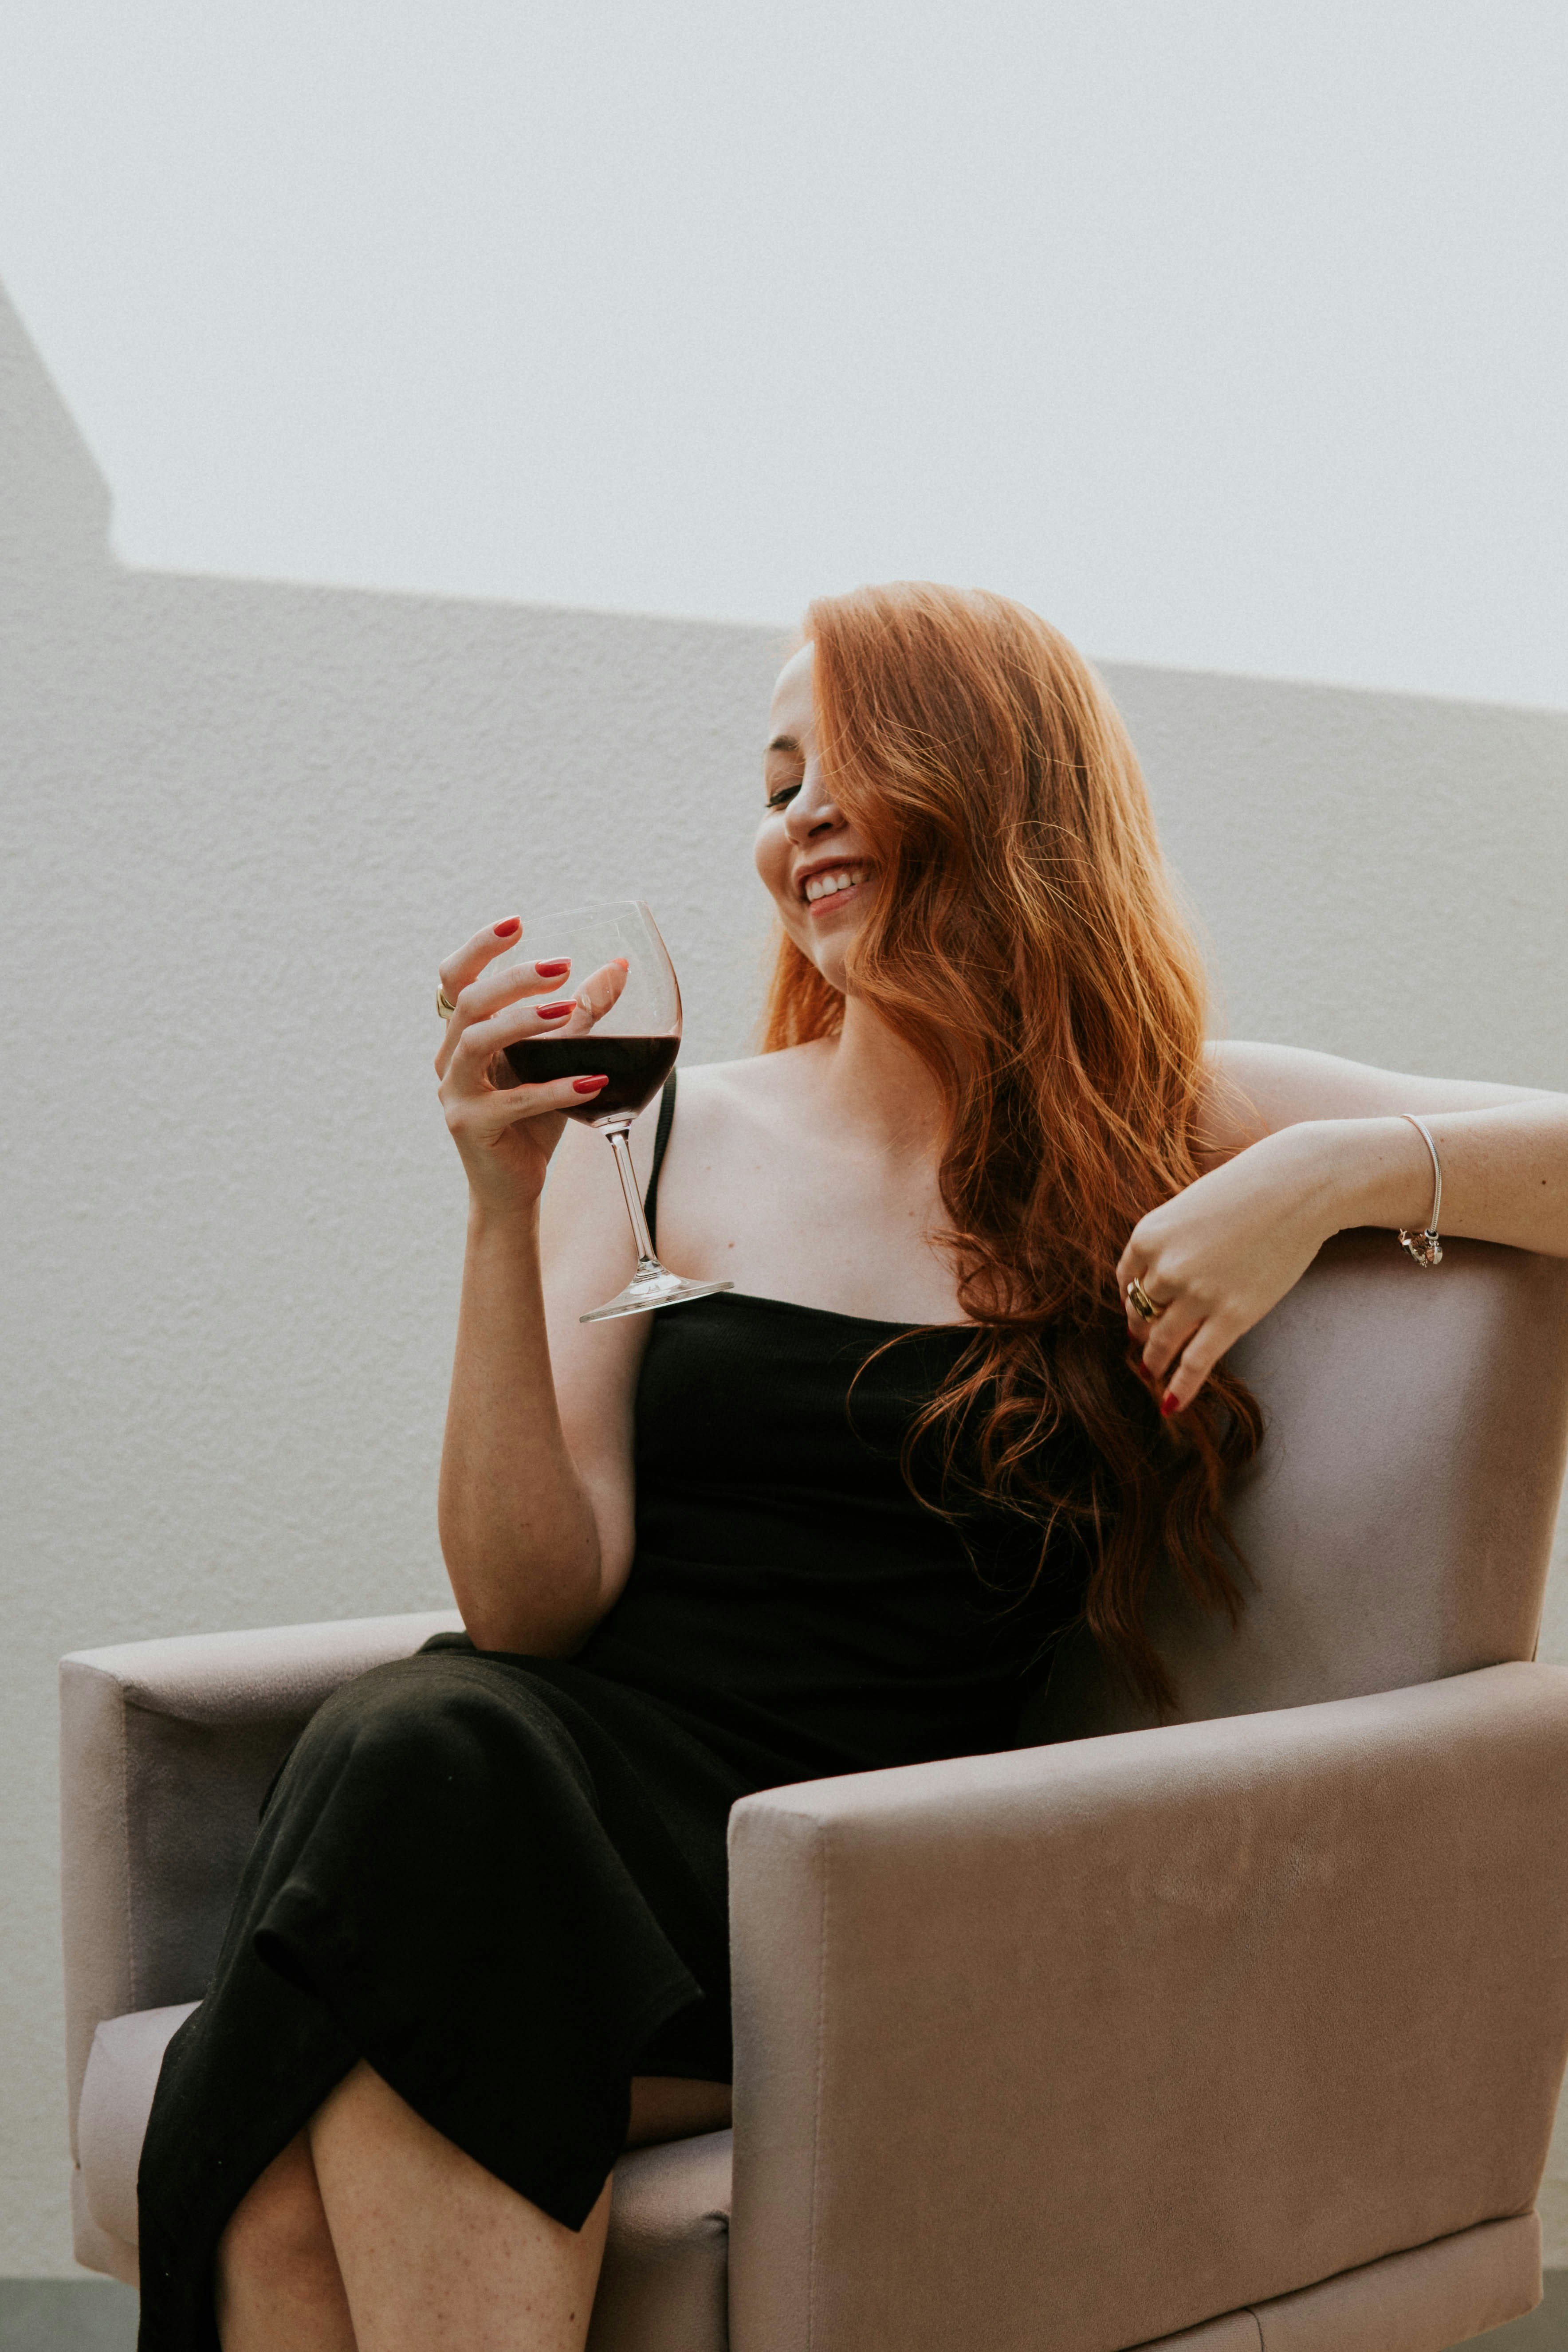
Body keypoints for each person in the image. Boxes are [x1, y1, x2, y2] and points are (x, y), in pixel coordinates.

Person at [137, 583, 1568, 2352]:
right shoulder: (651, 1135)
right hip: (558, 1811)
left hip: (868, 1885)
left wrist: (1335, 1171)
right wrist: (502, 1221)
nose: (794, 815)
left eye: (846, 760)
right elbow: (530, 1603)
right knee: (436, 1752)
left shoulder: (1161, 1122)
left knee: (341, 1992)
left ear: (998, 784)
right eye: (771, 779)